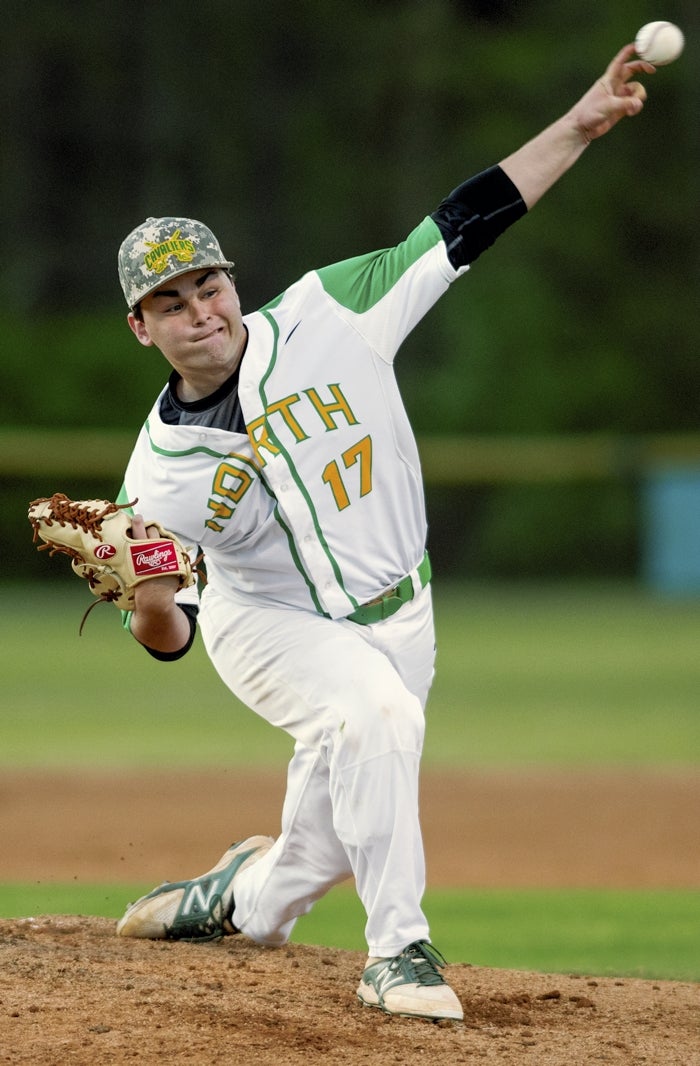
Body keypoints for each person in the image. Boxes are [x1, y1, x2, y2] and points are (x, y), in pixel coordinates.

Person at [114, 45, 653, 1021]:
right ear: (141, 327)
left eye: (208, 285)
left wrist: (577, 124)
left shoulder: (332, 310)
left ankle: (236, 896)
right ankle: (397, 948)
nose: (201, 311)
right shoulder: (160, 474)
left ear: (233, 283)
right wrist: (151, 600)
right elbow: (169, 633)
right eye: (170, 301)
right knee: (376, 717)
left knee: (317, 848)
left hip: (406, 612)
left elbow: (463, 221)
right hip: (266, 622)